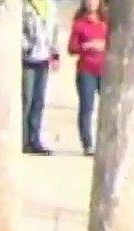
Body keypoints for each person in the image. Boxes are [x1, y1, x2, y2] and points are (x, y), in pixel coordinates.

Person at [67, 0, 107, 156]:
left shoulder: (106, 22)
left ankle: (105, 142)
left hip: (105, 70)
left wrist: (104, 45)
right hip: (86, 70)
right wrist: (86, 46)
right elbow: (72, 48)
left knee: (107, 108)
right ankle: (87, 144)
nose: (92, 3)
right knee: (86, 107)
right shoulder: (79, 24)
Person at [22, 0, 61, 155]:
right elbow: (19, 29)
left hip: (44, 58)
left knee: (39, 101)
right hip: (28, 59)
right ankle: (24, 139)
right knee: (27, 100)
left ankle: (35, 139)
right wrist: (26, 47)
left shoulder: (50, 6)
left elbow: (54, 30)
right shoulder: (25, 6)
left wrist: (55, 53)